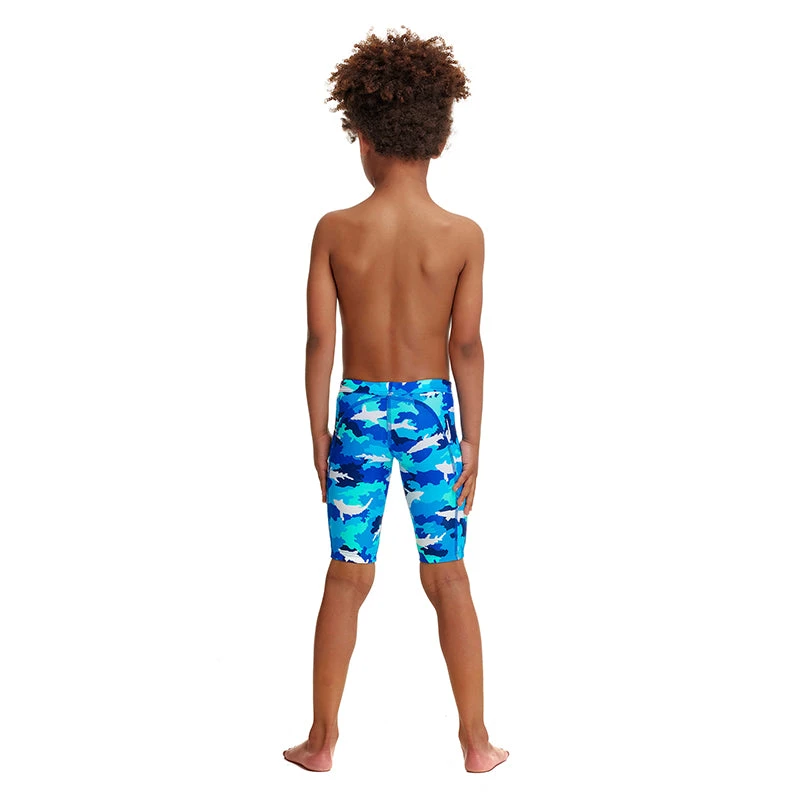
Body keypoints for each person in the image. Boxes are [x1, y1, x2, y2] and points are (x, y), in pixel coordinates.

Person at [283, 25, 508, 774]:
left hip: (357, 412)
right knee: (448, 575)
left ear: (363, 135)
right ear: (437, 138)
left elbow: (319, 341)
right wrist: (472, 439)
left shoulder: (336, 230)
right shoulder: (462, 236)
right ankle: (476, 742)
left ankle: (321, 741)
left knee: (347, 575)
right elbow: (466, 346)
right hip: (431, 414)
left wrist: (320, 432)